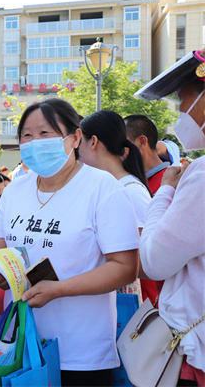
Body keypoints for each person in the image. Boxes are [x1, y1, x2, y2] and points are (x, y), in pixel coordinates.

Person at [0, 98, 139, 386]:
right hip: (22, 345)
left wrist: (59, 289)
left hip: (81, 353)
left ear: (75, 137)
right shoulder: (16, 190)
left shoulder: (103, 188)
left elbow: (125, 267)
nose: (34, 142)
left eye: (45, 133)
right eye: (27, 135)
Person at [134, 48, 205, 385]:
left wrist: (165, 192)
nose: (180, 111)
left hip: (195, 353)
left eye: (183, 98)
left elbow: (154, 261)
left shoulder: (201, 176)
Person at [78, 110, 152, 299]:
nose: (76, 155)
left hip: (118, 303)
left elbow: (144, 262)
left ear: (93, 142)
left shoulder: (131, 191)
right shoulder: (105, 187)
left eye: (79, 144)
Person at [124, 114, 169, 304]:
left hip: (158, 301)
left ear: (141, 142)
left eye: (123, 144)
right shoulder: (131, 183)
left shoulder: (171, 184)